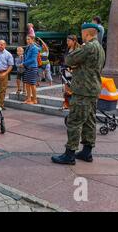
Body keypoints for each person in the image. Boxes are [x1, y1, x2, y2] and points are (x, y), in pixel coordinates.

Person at [52, 23, 105, 165]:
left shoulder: (88, 47)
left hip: (83, 90)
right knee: (89, 121)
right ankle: (87, 152)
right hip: (92, 89)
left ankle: (69, 154)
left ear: (87, 34)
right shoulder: (99, 47)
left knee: (74, 121)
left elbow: (69, 59)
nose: (81, 36)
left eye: (82, 33)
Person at [62, 35, 81, 109]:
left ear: (74, 41)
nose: (67, 42)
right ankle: (67, 103)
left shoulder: (78, 49)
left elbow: (79, 62)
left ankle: (73, 104)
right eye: (67, 41)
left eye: (69, 41)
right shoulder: (68, 49)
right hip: (66, 70)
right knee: (66, 88)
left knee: (73, 88)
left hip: (74, 72)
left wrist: (73, 68)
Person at [21, 36, 39, 105]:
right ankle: (28, 98)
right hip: (27, 67)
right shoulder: (28, 47)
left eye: (29, 39)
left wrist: (24, 63)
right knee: (27, 84)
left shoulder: (34, 48)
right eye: (27, 39)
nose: (27, 41)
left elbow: (33, 59)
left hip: (32, 67)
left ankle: (35, 99)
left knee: (32, 84)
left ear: (32, 40)